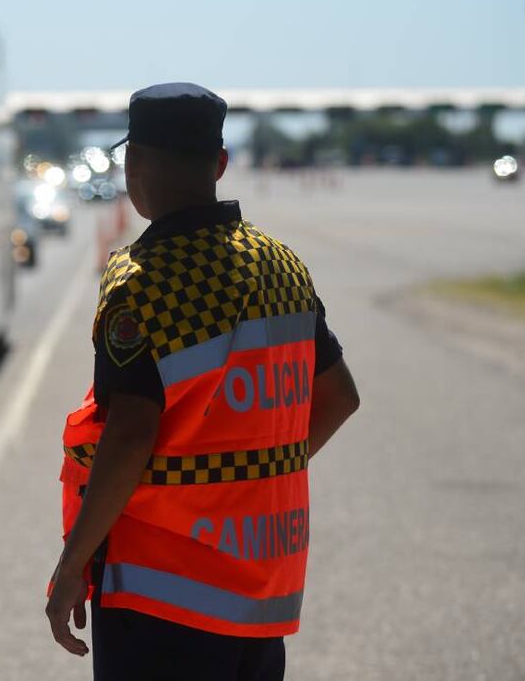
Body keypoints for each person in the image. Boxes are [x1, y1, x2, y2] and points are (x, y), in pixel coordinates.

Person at [45, 83, 361, 681]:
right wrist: (247, 482)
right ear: (220, 163)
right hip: (259, 591)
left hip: (160, 596)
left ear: (134, 163)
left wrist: (71, 566)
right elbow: (340, 397)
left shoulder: (144, 283)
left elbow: (130, 436)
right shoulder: (281, 266)